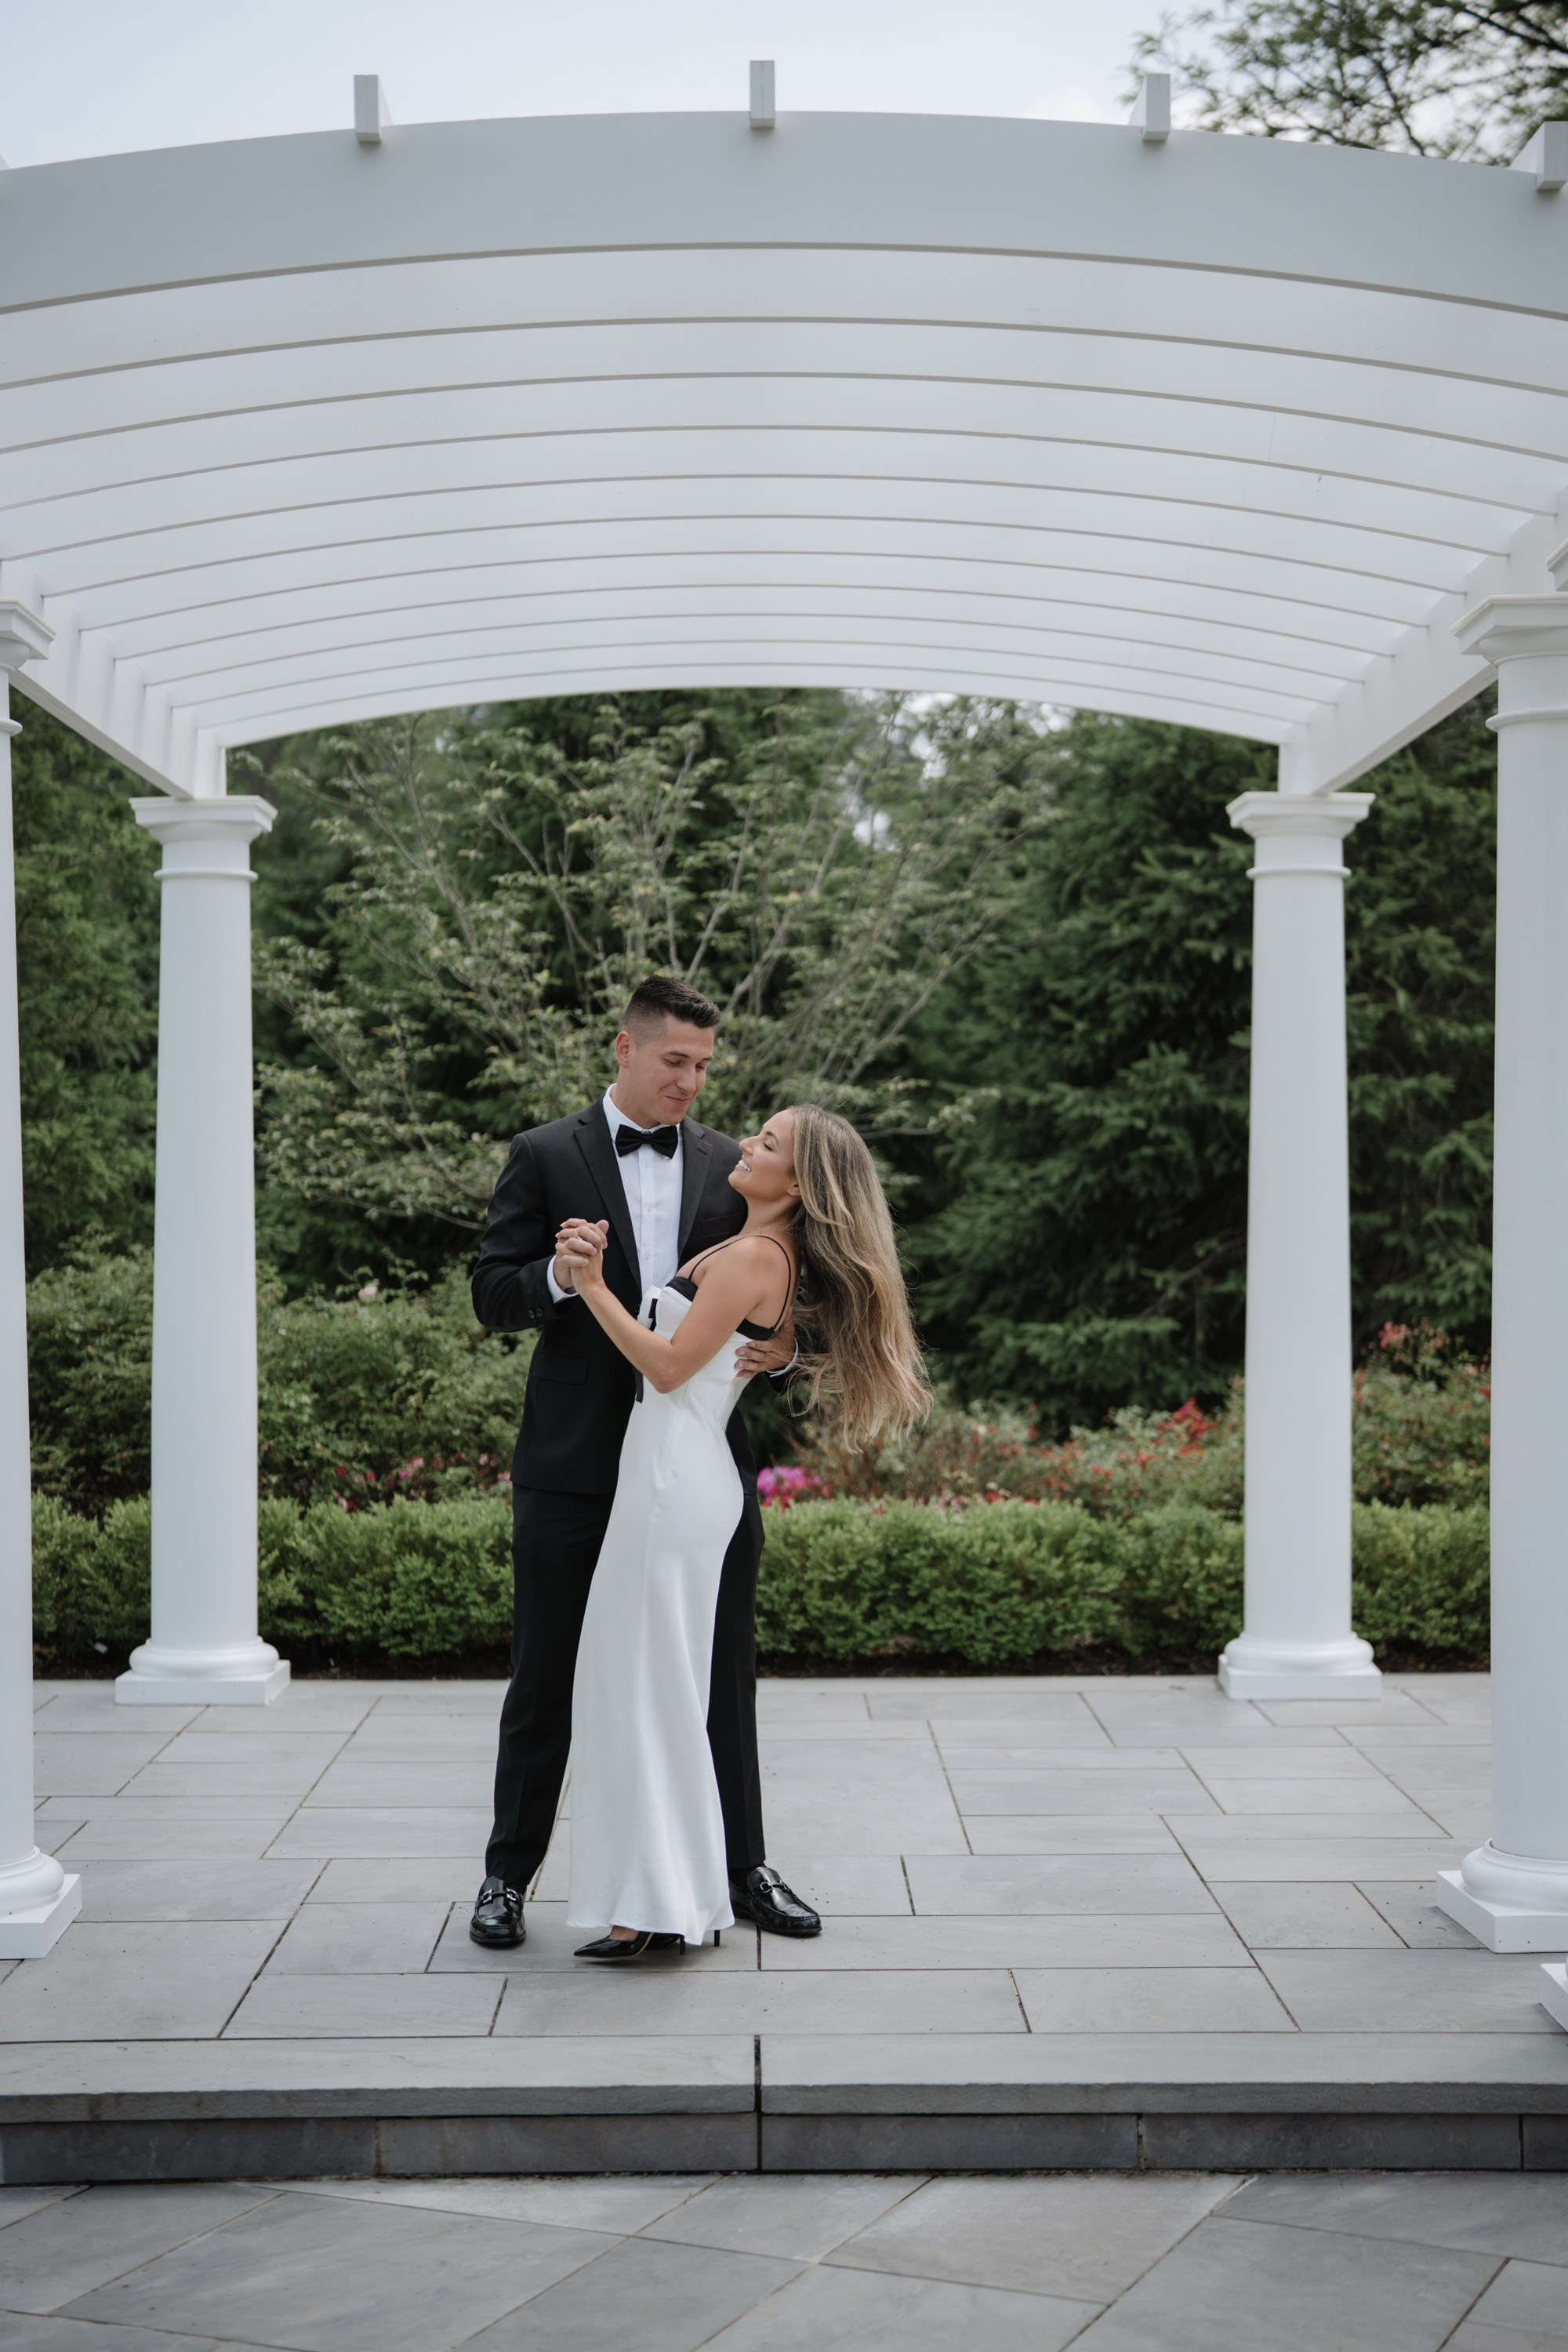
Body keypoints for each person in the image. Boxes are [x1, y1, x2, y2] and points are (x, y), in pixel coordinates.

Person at [468, 976, 820, 1951]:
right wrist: (559, 1275)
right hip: (573, 1461)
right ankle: (507, 1877)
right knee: (545, 1674)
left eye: (703, 1066)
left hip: (692, 1465)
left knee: (719, 1675)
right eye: (675, 1062)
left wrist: (781, 1353)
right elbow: (491, 1291)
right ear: (624, 1048)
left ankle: (741, 1870)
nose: (691, 1083)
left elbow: (792, 1294)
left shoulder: (733, 1166)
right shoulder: (543, 1153)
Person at [557, 1097, 928, 1958]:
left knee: (651, 1692)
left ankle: (658, 1908)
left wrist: (592, 1288)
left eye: (767, 1142)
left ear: (796, 1184)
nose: (747, 1143)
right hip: (669, 1477)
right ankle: (659, 1899)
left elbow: (666, 1367)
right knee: (647, 1689)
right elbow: (738, 1345)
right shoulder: (754, 1247)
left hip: (672, 1483)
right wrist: (784, 1345)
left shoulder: (757, 1255)